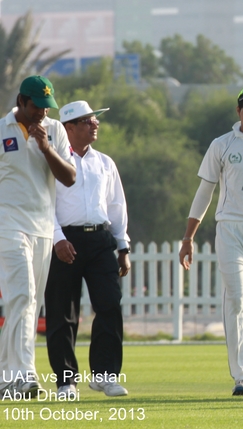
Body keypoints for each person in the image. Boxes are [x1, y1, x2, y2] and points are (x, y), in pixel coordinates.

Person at [179, 86, 243, 397]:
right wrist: (188, 237)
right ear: (238, 112)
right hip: (230, 228)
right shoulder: (221, 145)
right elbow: (205, 192)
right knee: (236, 300)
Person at [46, 101, 130, 398]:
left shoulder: (105, 162)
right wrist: (57, 238)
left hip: (100, 240)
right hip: (64, 240)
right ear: (68, 127)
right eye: (88, 120)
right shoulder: (53, 160)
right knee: (62, 313)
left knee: (109, 306)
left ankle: (105, 374)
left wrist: (123, 246)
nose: (95, 124)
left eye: (94, 119)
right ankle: (66, 381)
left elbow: (116, 205)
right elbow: (46, 205)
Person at [0, 76, 76, 399]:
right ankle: (25, 374)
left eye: (47, 108)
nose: (42, 114)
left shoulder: (55, 131)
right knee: (22, 293)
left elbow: (70, 177)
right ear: (21, 101)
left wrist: (45, 148)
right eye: (36, 107)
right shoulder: (2, 129)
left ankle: (6, 377)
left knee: (30, 301)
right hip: (8, 223)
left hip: (43, 226)